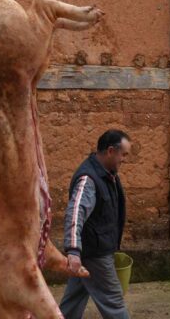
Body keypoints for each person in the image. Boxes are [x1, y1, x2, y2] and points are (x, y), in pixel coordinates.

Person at [60, 130, 132, 319]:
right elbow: (75, 212)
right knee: (114, 302)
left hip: (92, 250)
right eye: (123, 154)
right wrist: (73, 250)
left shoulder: (107, 174)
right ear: (110, 151)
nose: (124, 159)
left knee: (74, 300)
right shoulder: (89, 179)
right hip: (95, 254)